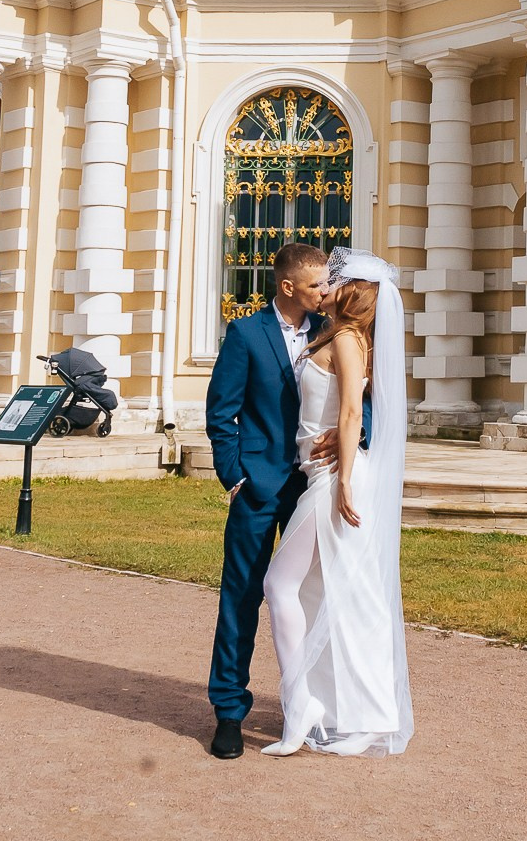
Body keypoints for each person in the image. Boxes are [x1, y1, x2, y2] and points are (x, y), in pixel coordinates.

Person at [258, 248, 411, 757]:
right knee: (327, 593)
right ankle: (343, 708)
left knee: (282, 585)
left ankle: (302, 703)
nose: (325, 288)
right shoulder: (339, 334)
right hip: (323, 473)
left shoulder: (346, 337)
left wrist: (343, 479)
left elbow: (350, 413)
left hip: (332, 479)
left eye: (333, 282)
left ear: (351, 292)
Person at [205, 242, 346, 758]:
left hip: (314, 484)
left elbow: (362, 398)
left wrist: (354, 435)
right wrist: (235, 477)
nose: (326, 292)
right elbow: (221, 413)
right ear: (287, 286)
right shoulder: (245, 334)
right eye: (316, 284)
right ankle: (228, 711)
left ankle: (309, 706)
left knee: (315, 596)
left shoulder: (333, 332)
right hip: (258, 486)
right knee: (241, 596)